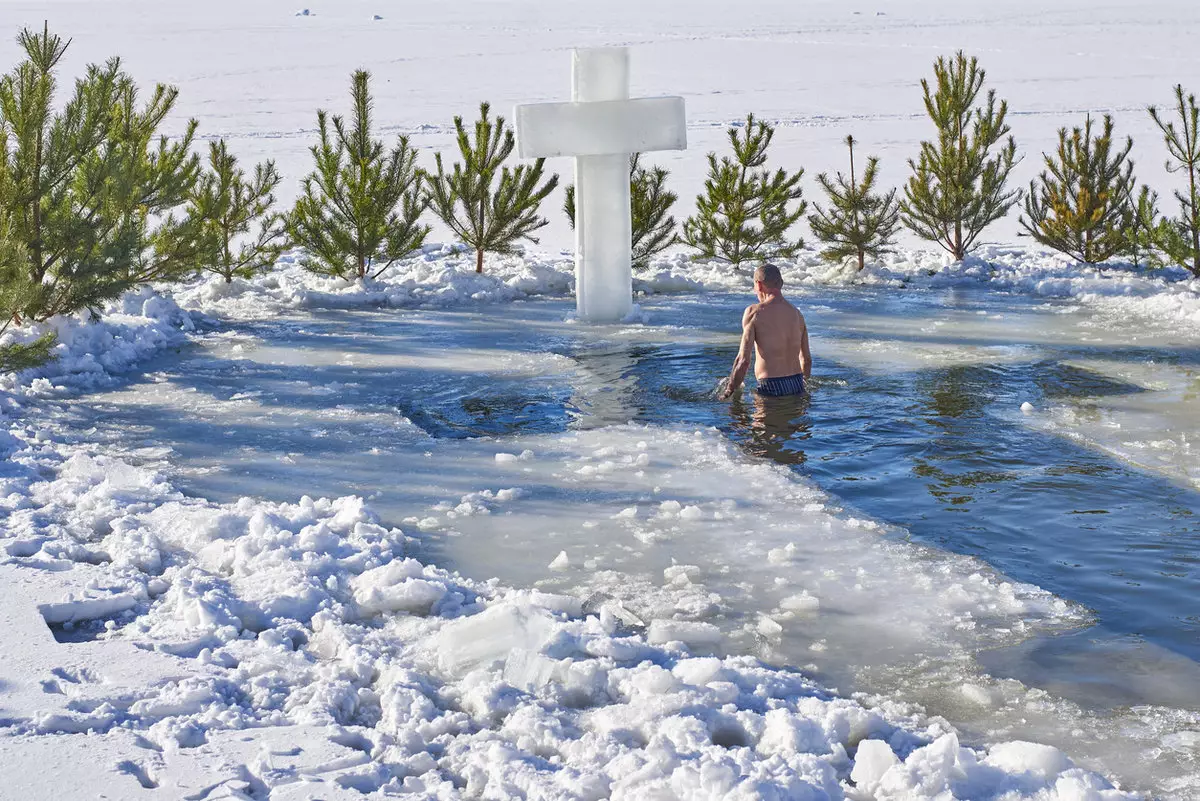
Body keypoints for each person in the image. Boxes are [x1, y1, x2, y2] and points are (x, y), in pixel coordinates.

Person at [720, 263, 811, 400]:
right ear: (781, 283)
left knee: (749, 420)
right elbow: (806, 360)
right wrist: (803, 385)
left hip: (770, 385)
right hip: (797, 384)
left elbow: (743, 361)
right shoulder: (797, 314)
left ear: (759, 284)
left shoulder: (754, 313)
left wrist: (729, 390)